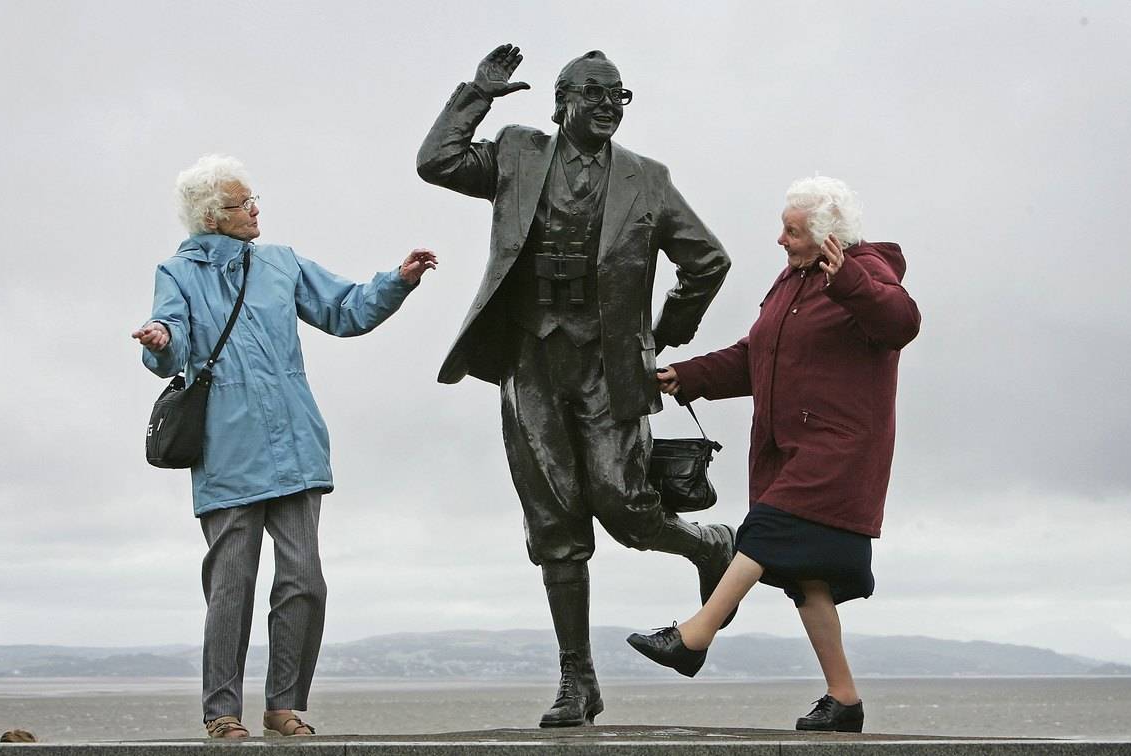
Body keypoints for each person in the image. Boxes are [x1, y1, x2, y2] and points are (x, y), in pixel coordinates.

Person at [416, 44, 735, 727]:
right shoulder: (517, 153)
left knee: (626, 507)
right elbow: (436, 161)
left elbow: (708, 260)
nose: (610, 106)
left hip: (606, 366)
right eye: (596, 94)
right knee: (554, 523)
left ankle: (708, 544)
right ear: (562, 101)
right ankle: (577, 678)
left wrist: (662, 335)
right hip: (529, 360)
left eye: (619, 96)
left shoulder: (647, 179)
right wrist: (477, 94)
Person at [132, 154, 437, 739]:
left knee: (304, 580)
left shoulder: (281, 262)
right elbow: (170, 338)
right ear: (211, 217)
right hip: (226, 450)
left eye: (254, 198)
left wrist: (397, 281)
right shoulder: (177, 273)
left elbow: (344, 310)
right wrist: (160, 341)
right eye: (241, 203)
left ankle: (284, 705)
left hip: (296, 445)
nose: (254, 209)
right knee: (231, 588)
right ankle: (222, 712)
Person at [626, 176, 920, 733]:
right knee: (808, 580)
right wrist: (687, 375)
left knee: (764, 531)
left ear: (827, 236)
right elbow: (756, 356)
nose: (781, 240)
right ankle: (844, 700)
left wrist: (848, 280)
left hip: (840, 448)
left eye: (793, 231)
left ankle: (695, 636)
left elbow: (901, 322)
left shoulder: (868, 269)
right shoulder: (791, 281)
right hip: (787, 447)